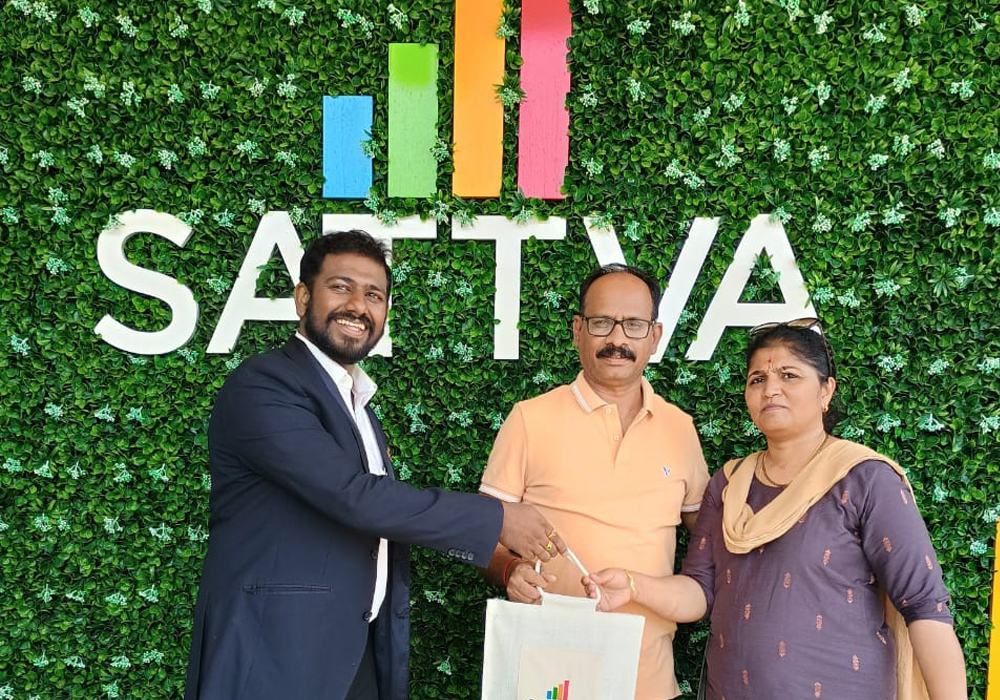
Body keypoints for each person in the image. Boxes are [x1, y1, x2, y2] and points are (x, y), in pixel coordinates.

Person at [184, 230, 565, 700]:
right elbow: (355, 497)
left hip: (350, 655)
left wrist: (501, 564)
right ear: (302, 297)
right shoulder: (263, 386)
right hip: (273, 656)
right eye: (340, 287)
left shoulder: (355, 402)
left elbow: (378, 520)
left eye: (374, 295)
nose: (358, 307)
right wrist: (498, 519)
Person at [585, 318, 968, 700]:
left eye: (789, 375)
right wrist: (633, 586)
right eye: (758, 379)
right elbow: (699, 591)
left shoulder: (864, 479)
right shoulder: (729, 484)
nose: (770, 389)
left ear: (826, 390)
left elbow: (925, 608)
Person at [479, 263, 711, 700]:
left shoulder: (680, 428)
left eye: (634, 325)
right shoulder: (529, 419)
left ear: (655, 336)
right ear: (578, 331)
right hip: (549, 679)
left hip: (649, 680)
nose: (617, 339)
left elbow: (709, 542)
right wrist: (510, 570)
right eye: (602, 322)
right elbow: (484, 534)